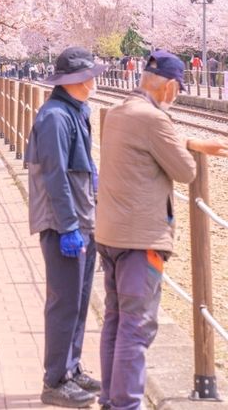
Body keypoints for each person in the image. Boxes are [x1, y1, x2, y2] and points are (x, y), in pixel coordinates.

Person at [95, 51, 228, 410]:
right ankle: (126, 404)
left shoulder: (122, 112)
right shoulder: (154, 119)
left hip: (110, 234)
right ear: (170, 86)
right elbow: (186, 172)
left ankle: (110, 399)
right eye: (178, 89)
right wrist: (184, 144)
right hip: (140, 239)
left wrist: (182, 139)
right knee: (136, 327)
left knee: (115, 319)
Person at [24, 47, 106, 408]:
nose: (93, 82)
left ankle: (71, 369)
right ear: (71, 81)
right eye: (87, 76)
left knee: (78, 301)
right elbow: (55, 176)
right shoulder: (55, 116)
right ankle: (55, 379)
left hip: (81, 219)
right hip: (63, 223)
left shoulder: (74, 111)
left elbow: (82, 166)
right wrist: (69, 225)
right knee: (64, 303)